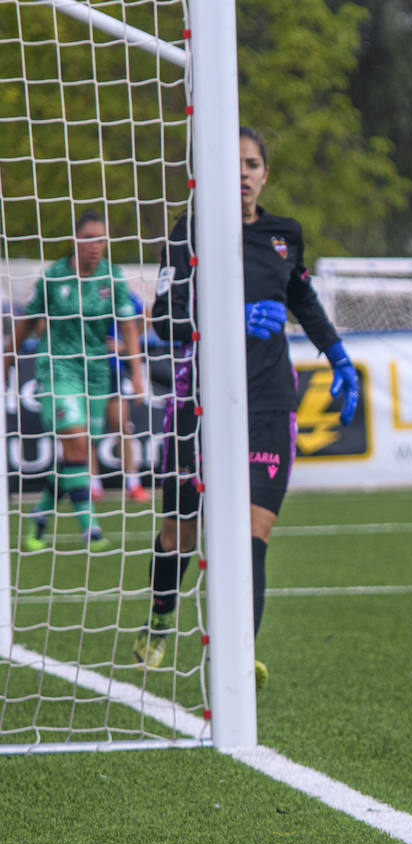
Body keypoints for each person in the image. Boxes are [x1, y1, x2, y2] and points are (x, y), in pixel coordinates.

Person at [133, 126, 360, 691]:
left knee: (253, 531)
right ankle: (160, 617)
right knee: (180, 536)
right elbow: (164, 320)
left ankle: (240, 655)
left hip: (268, 402)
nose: (241, 173)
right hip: (200, 402)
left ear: (265, 174)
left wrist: (338, 356)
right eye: (232, 163)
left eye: (252, 164)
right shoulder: (190, 231)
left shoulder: (285, 235)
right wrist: (231, 318)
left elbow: (301, 295)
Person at [6, 209, 145, 552]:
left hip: (96, 372)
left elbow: (129, 325)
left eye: (101, 239)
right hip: (58, 369)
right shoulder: (54, 276)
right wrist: (7, 357)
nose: (95, 246)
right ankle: (91, 530)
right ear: (75, 240)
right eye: (88, 238)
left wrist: (137, 372)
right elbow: (28, 320)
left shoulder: (112, 277)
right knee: (79, 444)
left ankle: (40, 516)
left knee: (77, 453)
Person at [89, 292, 152, 503]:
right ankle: (92, 485)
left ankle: (133, 483)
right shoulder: (75, 289)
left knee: (122, 426)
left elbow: (146, 315)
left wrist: (124, 344)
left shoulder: (116, 289)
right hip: (82, 368)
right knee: (88, 429)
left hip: (111, 368)